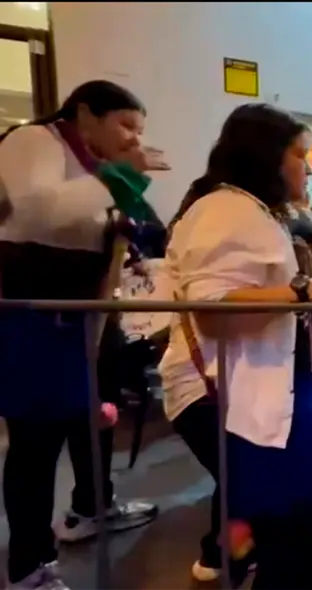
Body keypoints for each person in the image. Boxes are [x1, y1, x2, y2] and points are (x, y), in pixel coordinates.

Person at [159, 103, 312, 589]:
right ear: (267, 155)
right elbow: (212, 305)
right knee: (298, 524)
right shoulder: (225, 207)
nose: (307, 168)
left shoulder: (244, 208)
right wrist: (303, 291)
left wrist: (308, 287)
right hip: (229, 393)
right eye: (299, 154)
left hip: (257, 391)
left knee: (290, 523)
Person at [0, 80, 166, 590]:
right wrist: (118, 180)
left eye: (140, 131)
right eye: (126, 125)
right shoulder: (34, 142)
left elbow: (140, 234)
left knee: (86, 424)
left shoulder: (100, 170)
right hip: (31, 322)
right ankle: (29, 568)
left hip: (80, 324)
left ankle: (91, 509)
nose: (133, 139)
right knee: (34, 447)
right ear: (85, 113)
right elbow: (39, 209)